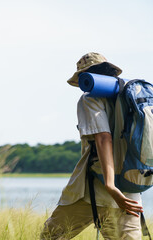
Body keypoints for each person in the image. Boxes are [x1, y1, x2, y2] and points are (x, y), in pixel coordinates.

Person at [40, 52, 143, 239]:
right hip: (130, 189)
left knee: (50, 236)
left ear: (85, 77)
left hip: (94, 189)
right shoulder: (131, 98)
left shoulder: (89, 98)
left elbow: (103, 138)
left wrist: (111, 186)